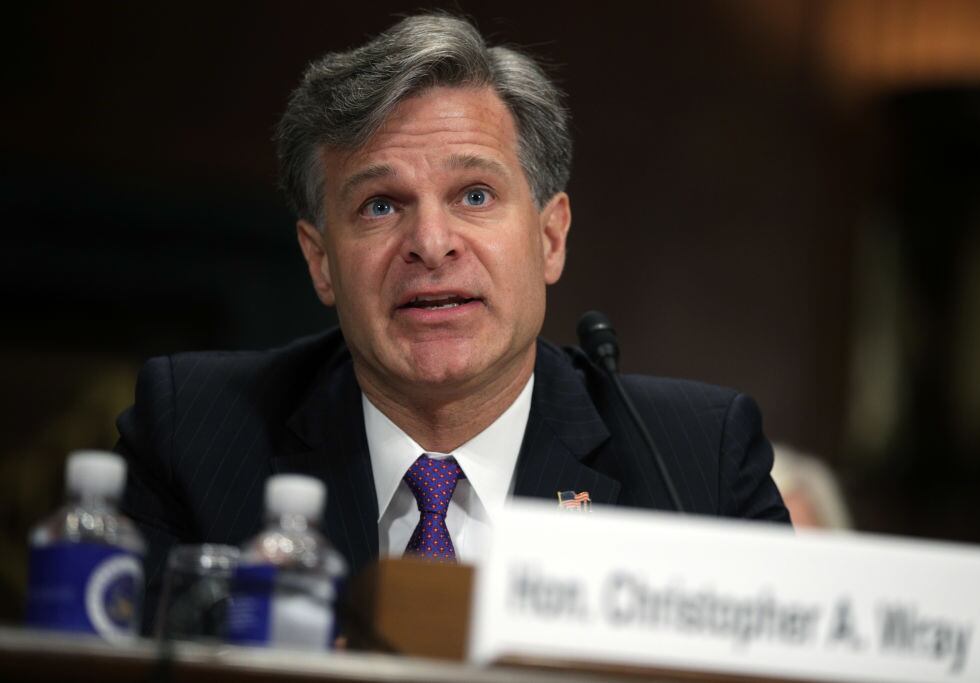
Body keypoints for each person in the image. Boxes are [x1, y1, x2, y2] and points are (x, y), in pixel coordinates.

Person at [115, 13, 790, 631]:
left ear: (550, 238)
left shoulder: (697, 462)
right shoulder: (193, 434)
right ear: (320, 261)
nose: (431, 242)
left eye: (474, 194)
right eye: (381, 205)